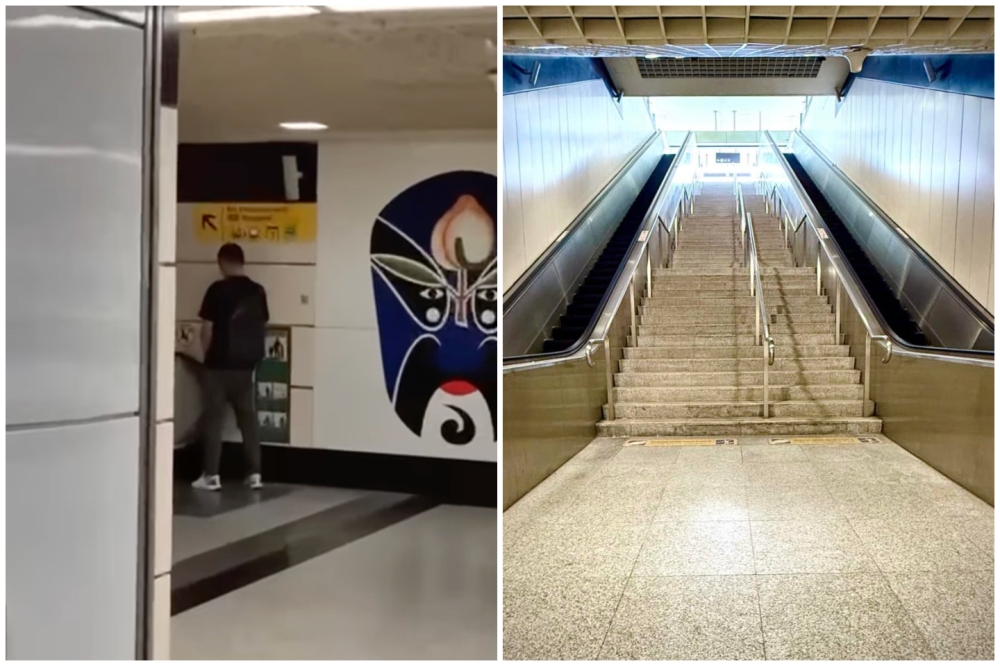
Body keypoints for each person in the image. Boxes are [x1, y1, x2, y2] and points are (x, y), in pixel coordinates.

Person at [192, 243, 269, 491]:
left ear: (222, 262)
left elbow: (207, 329)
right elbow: (262, 326)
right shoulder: (258, 291)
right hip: (246, 366)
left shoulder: (217, 290)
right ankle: (254, 473)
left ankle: (212, 475)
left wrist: (207, 355)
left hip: (219, 365)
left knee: (214, 419)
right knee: (247, 419)